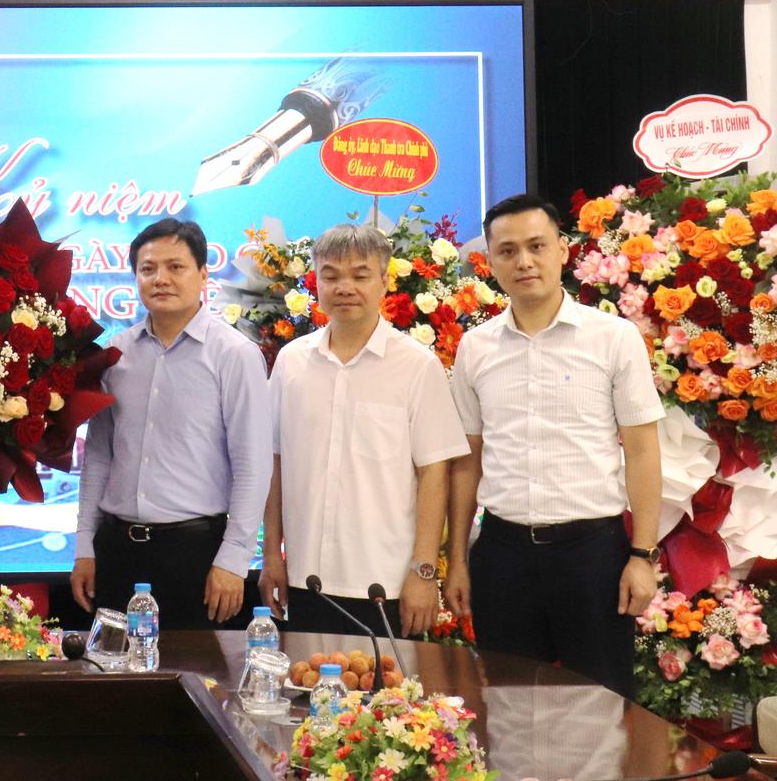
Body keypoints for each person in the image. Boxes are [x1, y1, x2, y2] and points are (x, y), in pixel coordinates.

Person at [446, 194, 663, 695]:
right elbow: (468, 461)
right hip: (502, 554)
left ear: (563, 250)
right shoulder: (475, 348)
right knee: (509, 704)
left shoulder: (613, 337)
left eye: (536, 246)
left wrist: (642, 555)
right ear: (490, 262)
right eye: (507, 251)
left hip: (592, 554)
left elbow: (642, 450)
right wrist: (456, 558)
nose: (523, 261)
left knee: (602, 705)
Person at [260, 224, 468, 638]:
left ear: (384, 282)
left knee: (386, 683)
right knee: (305, 680)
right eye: (331, 275)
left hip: (386, 583)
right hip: (305, 579)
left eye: (360, 275)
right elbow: (275, 462)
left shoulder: (416, 365)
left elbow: (434, 473)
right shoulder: (291, 362)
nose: (345, 287)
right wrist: (271, 556)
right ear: (316, 282)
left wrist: (424, 571)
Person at [70, 218, 272, 629]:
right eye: (148, 269)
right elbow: (98, 458)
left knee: (196, 668)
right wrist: (84, 547)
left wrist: (234, 560)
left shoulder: (234, 354)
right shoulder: (115, 355)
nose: (160, 279)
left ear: (203, 274)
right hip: (117, 550)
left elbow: (253, 465)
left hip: (195, 554)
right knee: (114, 667)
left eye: (175, 267)